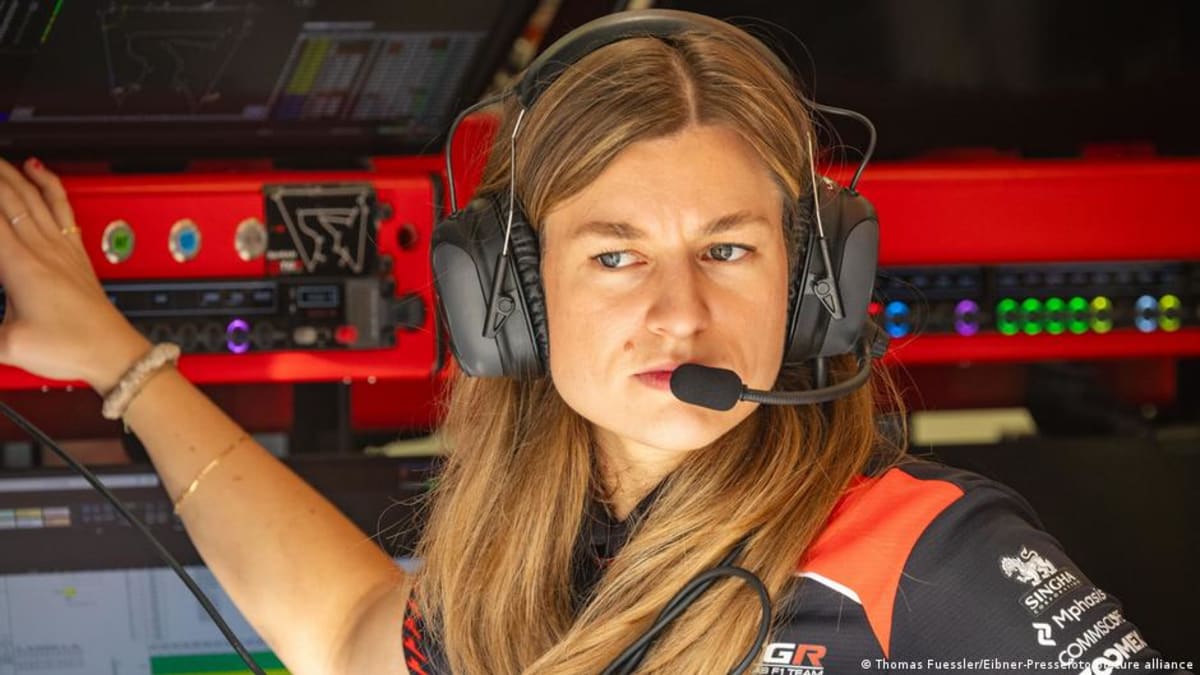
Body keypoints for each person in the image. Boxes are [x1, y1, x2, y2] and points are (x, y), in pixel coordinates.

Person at [0, 9, 1189, 675]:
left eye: (730, 249)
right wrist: (119, 363)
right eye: (615, 257)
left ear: (812, 284)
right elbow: (343, 626)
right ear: (510, 298)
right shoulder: (510, 572)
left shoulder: (931, 561)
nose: (680, 313)